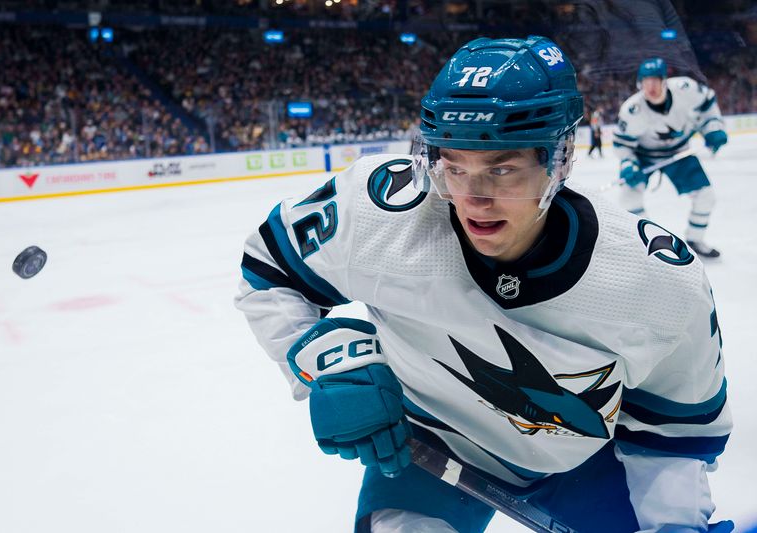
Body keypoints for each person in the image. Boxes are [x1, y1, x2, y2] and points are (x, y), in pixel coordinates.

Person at [235, 37, 732, 533]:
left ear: (559, 159)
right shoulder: (384, 211)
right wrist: (331, 361)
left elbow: (673, 432)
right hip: (430, 447)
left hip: (584, 465)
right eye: (454, 166)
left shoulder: (655, 281)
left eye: (502, 169)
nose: (473, 198)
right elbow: (269, 268)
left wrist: (674, 523)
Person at [613, 57, 728, 258]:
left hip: (679, 153)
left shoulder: (686, 88)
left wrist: (714, 127)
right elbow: (622, 144)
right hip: (644, 156)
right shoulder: (632, 110)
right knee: (629, 199)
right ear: (639, 84)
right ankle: (645, 246)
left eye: (656, 80)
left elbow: (708, 104)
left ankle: (695, 238)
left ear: (665, 80)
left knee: (705, 196)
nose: (651, 87)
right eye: (646, 81)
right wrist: (628, 165)